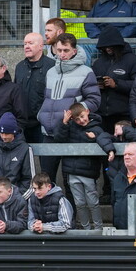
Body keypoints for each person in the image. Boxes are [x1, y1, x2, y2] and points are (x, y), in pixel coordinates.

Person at [36, 33, 100, 182]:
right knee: (45, 181)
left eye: (66, 50)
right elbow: (45, 98)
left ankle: (70, 206)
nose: (62, 54)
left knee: (70, 181)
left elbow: (95, 100)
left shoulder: (86, 72)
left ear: (74, 51)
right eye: (59, 50)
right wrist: (41, 115)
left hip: (71, 132)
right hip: (48, 133)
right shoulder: (51, 72)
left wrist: (74, 113)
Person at [52, 103, 115, 231]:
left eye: (82, 116)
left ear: (87, 111)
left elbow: (104, 139)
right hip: (71, 171)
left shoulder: (96, 128)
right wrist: (64, 122)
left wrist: (109, 149)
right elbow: (59, 138)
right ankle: (86, 229)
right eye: (77, 119)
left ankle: (98, 228)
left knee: (93, 202)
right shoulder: (70, 127)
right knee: (79, 203)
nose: (81, 121)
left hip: (89, 172)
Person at [91, 26, 136, 130]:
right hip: (101, 116)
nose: (107, 48)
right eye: (105, 46)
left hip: (125, 115)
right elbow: (89, 85)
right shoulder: (98, 63)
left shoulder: (133, 61)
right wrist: (97, 86)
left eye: (111, 46)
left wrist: (116, 84)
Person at [0, 112, 34, 198]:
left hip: (15, 201)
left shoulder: (25, 149)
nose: (4, 136)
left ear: (14, 132)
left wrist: (18, 199)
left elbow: (29, 180)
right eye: (2, 133)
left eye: (7, 133)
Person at [14, 32, 55, 143]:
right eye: (25, 44)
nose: (26, 46)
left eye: (30, 43)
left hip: (43, 124)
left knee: (45, 159)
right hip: (22, 124)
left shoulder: (52, 66)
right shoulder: (19, 67)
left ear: (41, 46)